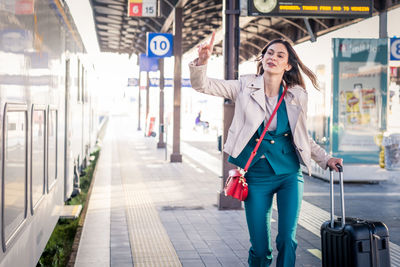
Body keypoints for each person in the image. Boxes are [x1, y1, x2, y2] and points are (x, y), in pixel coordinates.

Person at [189, 32, 343, 267]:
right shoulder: (243, 86)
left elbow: (302, 137)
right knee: (260, 249)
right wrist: (202, 61)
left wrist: (325, 159)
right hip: (256, 176)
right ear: (262, 59)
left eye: (280, 55)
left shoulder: (296, 95)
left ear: (288, 64)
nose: (273, 57)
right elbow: (203, 85)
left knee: (287, 240)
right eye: (269, 53)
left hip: (289, 175)